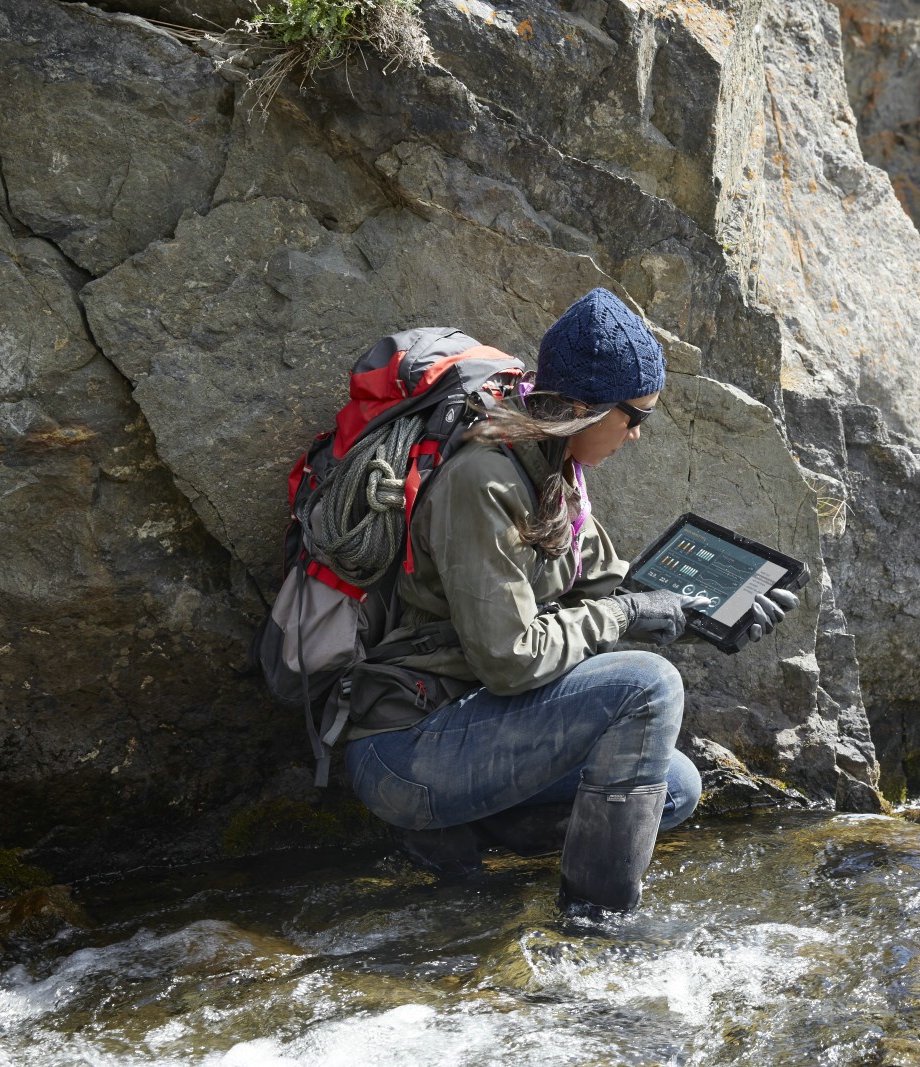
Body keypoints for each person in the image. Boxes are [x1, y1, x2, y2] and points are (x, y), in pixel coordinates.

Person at [340, 288, 797, 913]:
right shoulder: (484, 479)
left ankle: (459, 834)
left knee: (676, 788)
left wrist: (713, 620)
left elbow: (615, 590)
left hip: (476, 734)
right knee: (649, 685)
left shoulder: (557, 473)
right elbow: (512, 660)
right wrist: (628, 617)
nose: (636, 435)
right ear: (583, 406)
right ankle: (598, 920)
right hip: (409, 748)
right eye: (634, 416)